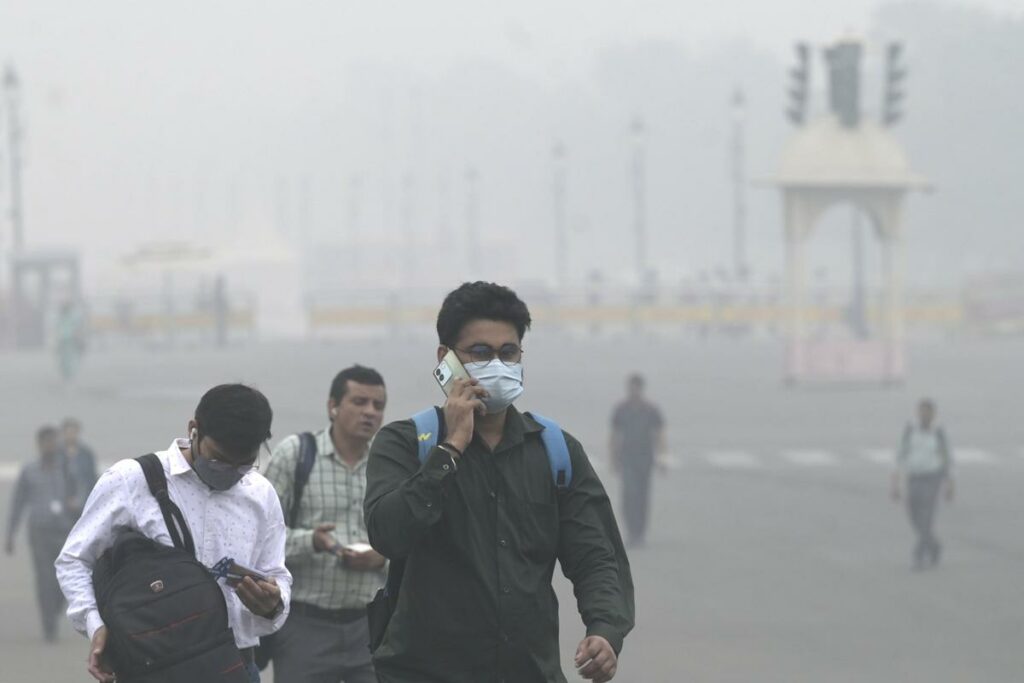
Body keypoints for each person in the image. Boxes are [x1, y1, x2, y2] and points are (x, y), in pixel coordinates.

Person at [365, 281, 634, 683]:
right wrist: (451, 448)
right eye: (481, 353)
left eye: (508, 353)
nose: (497, 364)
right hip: (425, 671)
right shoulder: (405, 443)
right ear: (446, 360)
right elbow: (388, 534)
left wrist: (605, 630)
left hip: (528, 671)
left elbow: (596, 554)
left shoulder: (555, 451)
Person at [55, 384, 292, 683]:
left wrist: (273, 604)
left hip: (235, 666)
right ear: (194, 429)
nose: (230, 472)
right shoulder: (132, 480)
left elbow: (277, 574)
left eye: (243, 464)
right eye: (218, 459)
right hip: (152, 668)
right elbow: (74, 560)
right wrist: (94, 624)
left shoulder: (260, 494)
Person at [263, 365, 388, 682]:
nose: (370, 412)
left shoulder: (387, 464)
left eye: (378, 405)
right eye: (359, 402)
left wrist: (383, 557)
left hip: (371, 627)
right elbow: (260, 538)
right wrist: (312, 542)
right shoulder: (297, 454)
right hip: (306, 627)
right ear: (333, 406)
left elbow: (411, 539)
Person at [5, 426, 78, 642]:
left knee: (62, 579)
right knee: (44, 579)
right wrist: (10, 534)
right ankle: (48, 624)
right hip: (39, 532)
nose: (50, 445)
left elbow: (80, 498)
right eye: (46, 442)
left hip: (64, 530)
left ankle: (54, 609)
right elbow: (18, 503)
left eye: (53, 441)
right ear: (39, 444)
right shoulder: (29, 471)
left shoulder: (66, 470)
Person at [891, 398, 954, 571]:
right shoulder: (910, 430)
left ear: (933, 414)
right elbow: (900, 455)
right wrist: (895, 482)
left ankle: (919, 554)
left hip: (933, 478)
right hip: (914, 477)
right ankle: (934, 545)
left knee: (926, 517)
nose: (924, 414)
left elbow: (947, 458)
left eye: (928, 411)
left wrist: (949, 483)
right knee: (913, 514)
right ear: (917, 412)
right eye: (922, 411)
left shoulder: (939, 432)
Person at [609, 373, 666, 548]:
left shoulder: (651, 410)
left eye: (636, 387)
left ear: (641, 389)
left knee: (642, 496)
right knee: (629, 495)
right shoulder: (621, 410)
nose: (634, 391)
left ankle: (640, 533)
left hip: (645, 459)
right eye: (631, 387)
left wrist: (662, 457)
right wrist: (613, 458)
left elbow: (658, 435)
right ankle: (631, 531)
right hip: (627, 458)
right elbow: (615, 436)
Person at [61, 417, 98, 517]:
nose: (71, 435)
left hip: (82, 503)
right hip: (62, 505)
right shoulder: (57, 453)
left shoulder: (86, 454)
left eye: (73, 432)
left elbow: (91, 478)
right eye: (68, 432)